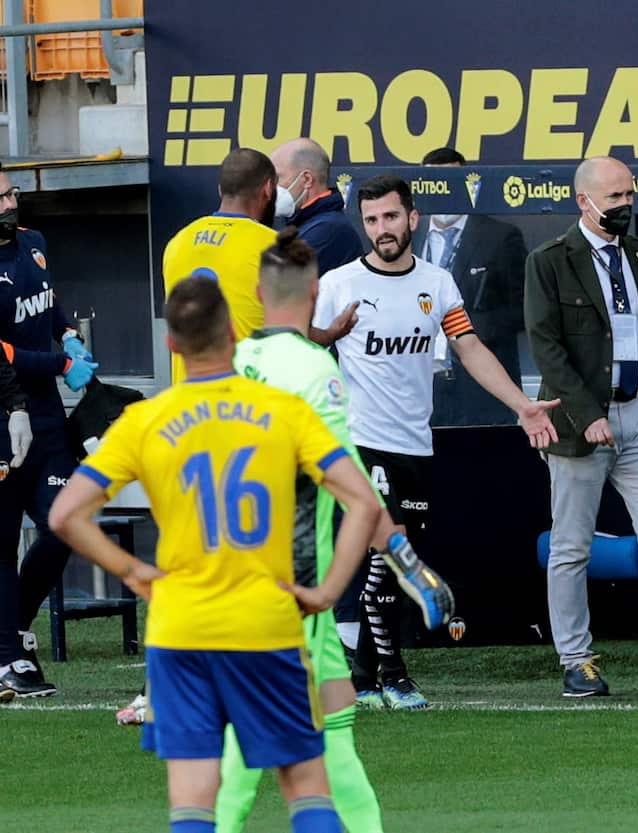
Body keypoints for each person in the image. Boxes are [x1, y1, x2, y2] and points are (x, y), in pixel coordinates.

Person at [48, 274, 383, 833]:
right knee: (306, 788)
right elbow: (362, 504)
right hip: (266, 621)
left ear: (172, 345)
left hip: (180, 627)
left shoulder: (144, 420)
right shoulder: (282, 410)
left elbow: (64, 516)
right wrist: (325, 593)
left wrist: (132, 570)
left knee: (194, 804)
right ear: (233, 332)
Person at [217, 228, 455, 832]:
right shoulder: (315, 373)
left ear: (257, 292)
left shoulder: (232, 366)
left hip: (235, 581)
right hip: (290, 590)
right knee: (263, 747)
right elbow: (352, 488)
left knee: (336, 738)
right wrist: (408, 563)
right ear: (317, 290)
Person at [316, 175, 557, 709]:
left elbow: (468, 347)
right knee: (391, 552)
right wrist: (325, 340)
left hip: (415, 445)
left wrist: (520, 404)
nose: (382, 229)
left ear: (413, 218)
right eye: (373, 219)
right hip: (361, 443)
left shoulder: (437, 282)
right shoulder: (338, 284)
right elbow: (299, 345)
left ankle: (361, 677)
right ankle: (396, 675)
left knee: (400, 553)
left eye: (391, 218)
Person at [526, 155, 638, 698]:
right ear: (584, 201)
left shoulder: (636, 252)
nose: (625, 205)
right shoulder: (550, 260)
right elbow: (547, 347)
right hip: (580, 422)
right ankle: (575, 659)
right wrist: (589, 414)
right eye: (615, 198)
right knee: (572, 545)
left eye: (629, 195)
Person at [0, 165, 98, 699]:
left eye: (12, 192)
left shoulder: (34, 243)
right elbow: (3, 353)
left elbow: (50, 305)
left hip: (46, 416)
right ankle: (8, 658)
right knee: (2, 542)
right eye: (3, 196)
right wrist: (61, 366)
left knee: (66, 520)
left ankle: (15, 627)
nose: (12, 202)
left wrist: (68, 337)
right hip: (2, 416)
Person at [163, 148, 356, 383]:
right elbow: (295, 330)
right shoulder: (275, 247)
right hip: (252, 404)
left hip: (189, 404)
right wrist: (329, 334)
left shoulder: (176, 243)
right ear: (268, 189)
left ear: (220, 189)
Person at [421, 147, 528, 426]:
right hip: (422, 389)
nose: (444, 192)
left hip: (483, 390)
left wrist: (464, 329)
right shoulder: (405, 237)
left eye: (452, 183)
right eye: (436, 184)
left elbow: (524, 309)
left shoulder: (500, 237)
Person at [270, 138, 363, 276]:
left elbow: (278, 283)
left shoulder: (329, 230)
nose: (271, 188)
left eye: (278, 178)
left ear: (307, 179)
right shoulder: (306, 223)